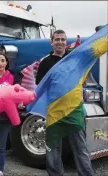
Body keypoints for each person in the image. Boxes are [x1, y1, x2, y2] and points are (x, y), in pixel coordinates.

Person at [35, 29, 94, 176]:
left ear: (65, 42)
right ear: (52, 42)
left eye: (63, 39)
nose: (60, 42)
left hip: (74, 111)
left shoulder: (73, 58)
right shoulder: (45, 63)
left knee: (81, 148)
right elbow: (40, 86)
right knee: (53, 150)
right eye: (57, 39)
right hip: (54, 113)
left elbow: (83, 76)